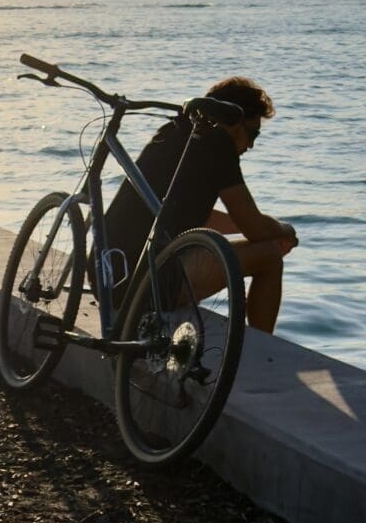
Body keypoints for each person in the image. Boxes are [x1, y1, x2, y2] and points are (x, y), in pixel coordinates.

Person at [103, 75, 298, 333]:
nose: (251, 145)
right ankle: (262, 346)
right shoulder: (218, 144)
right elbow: (256, 229)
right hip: (147, 287)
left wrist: (248, 227)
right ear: (233, 119)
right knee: (271, 256)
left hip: (106, 275)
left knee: (197, 247)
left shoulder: (174, 131)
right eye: (253, 133)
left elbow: (191, 216)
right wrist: (285, 230)